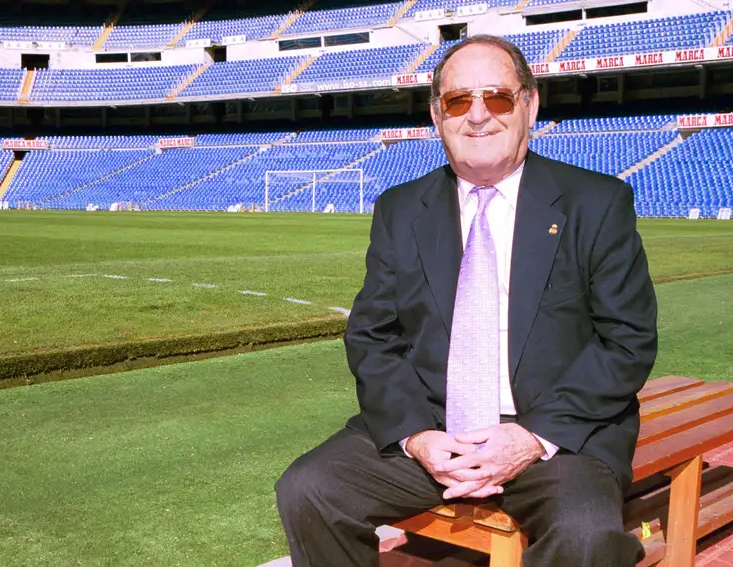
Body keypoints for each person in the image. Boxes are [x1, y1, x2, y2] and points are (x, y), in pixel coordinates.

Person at [275, 34, 658, 567]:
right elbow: (373, 336)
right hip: (435, 428)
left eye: (497, 97)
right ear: (437, 115)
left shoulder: (596, 202)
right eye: (458, 101)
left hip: (554, 436)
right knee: (308, 489)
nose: (478, 116)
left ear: (530, 104)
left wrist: (531, 437)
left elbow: (626, 341)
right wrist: (416, 436)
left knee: (586, 536)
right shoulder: (401, 209)